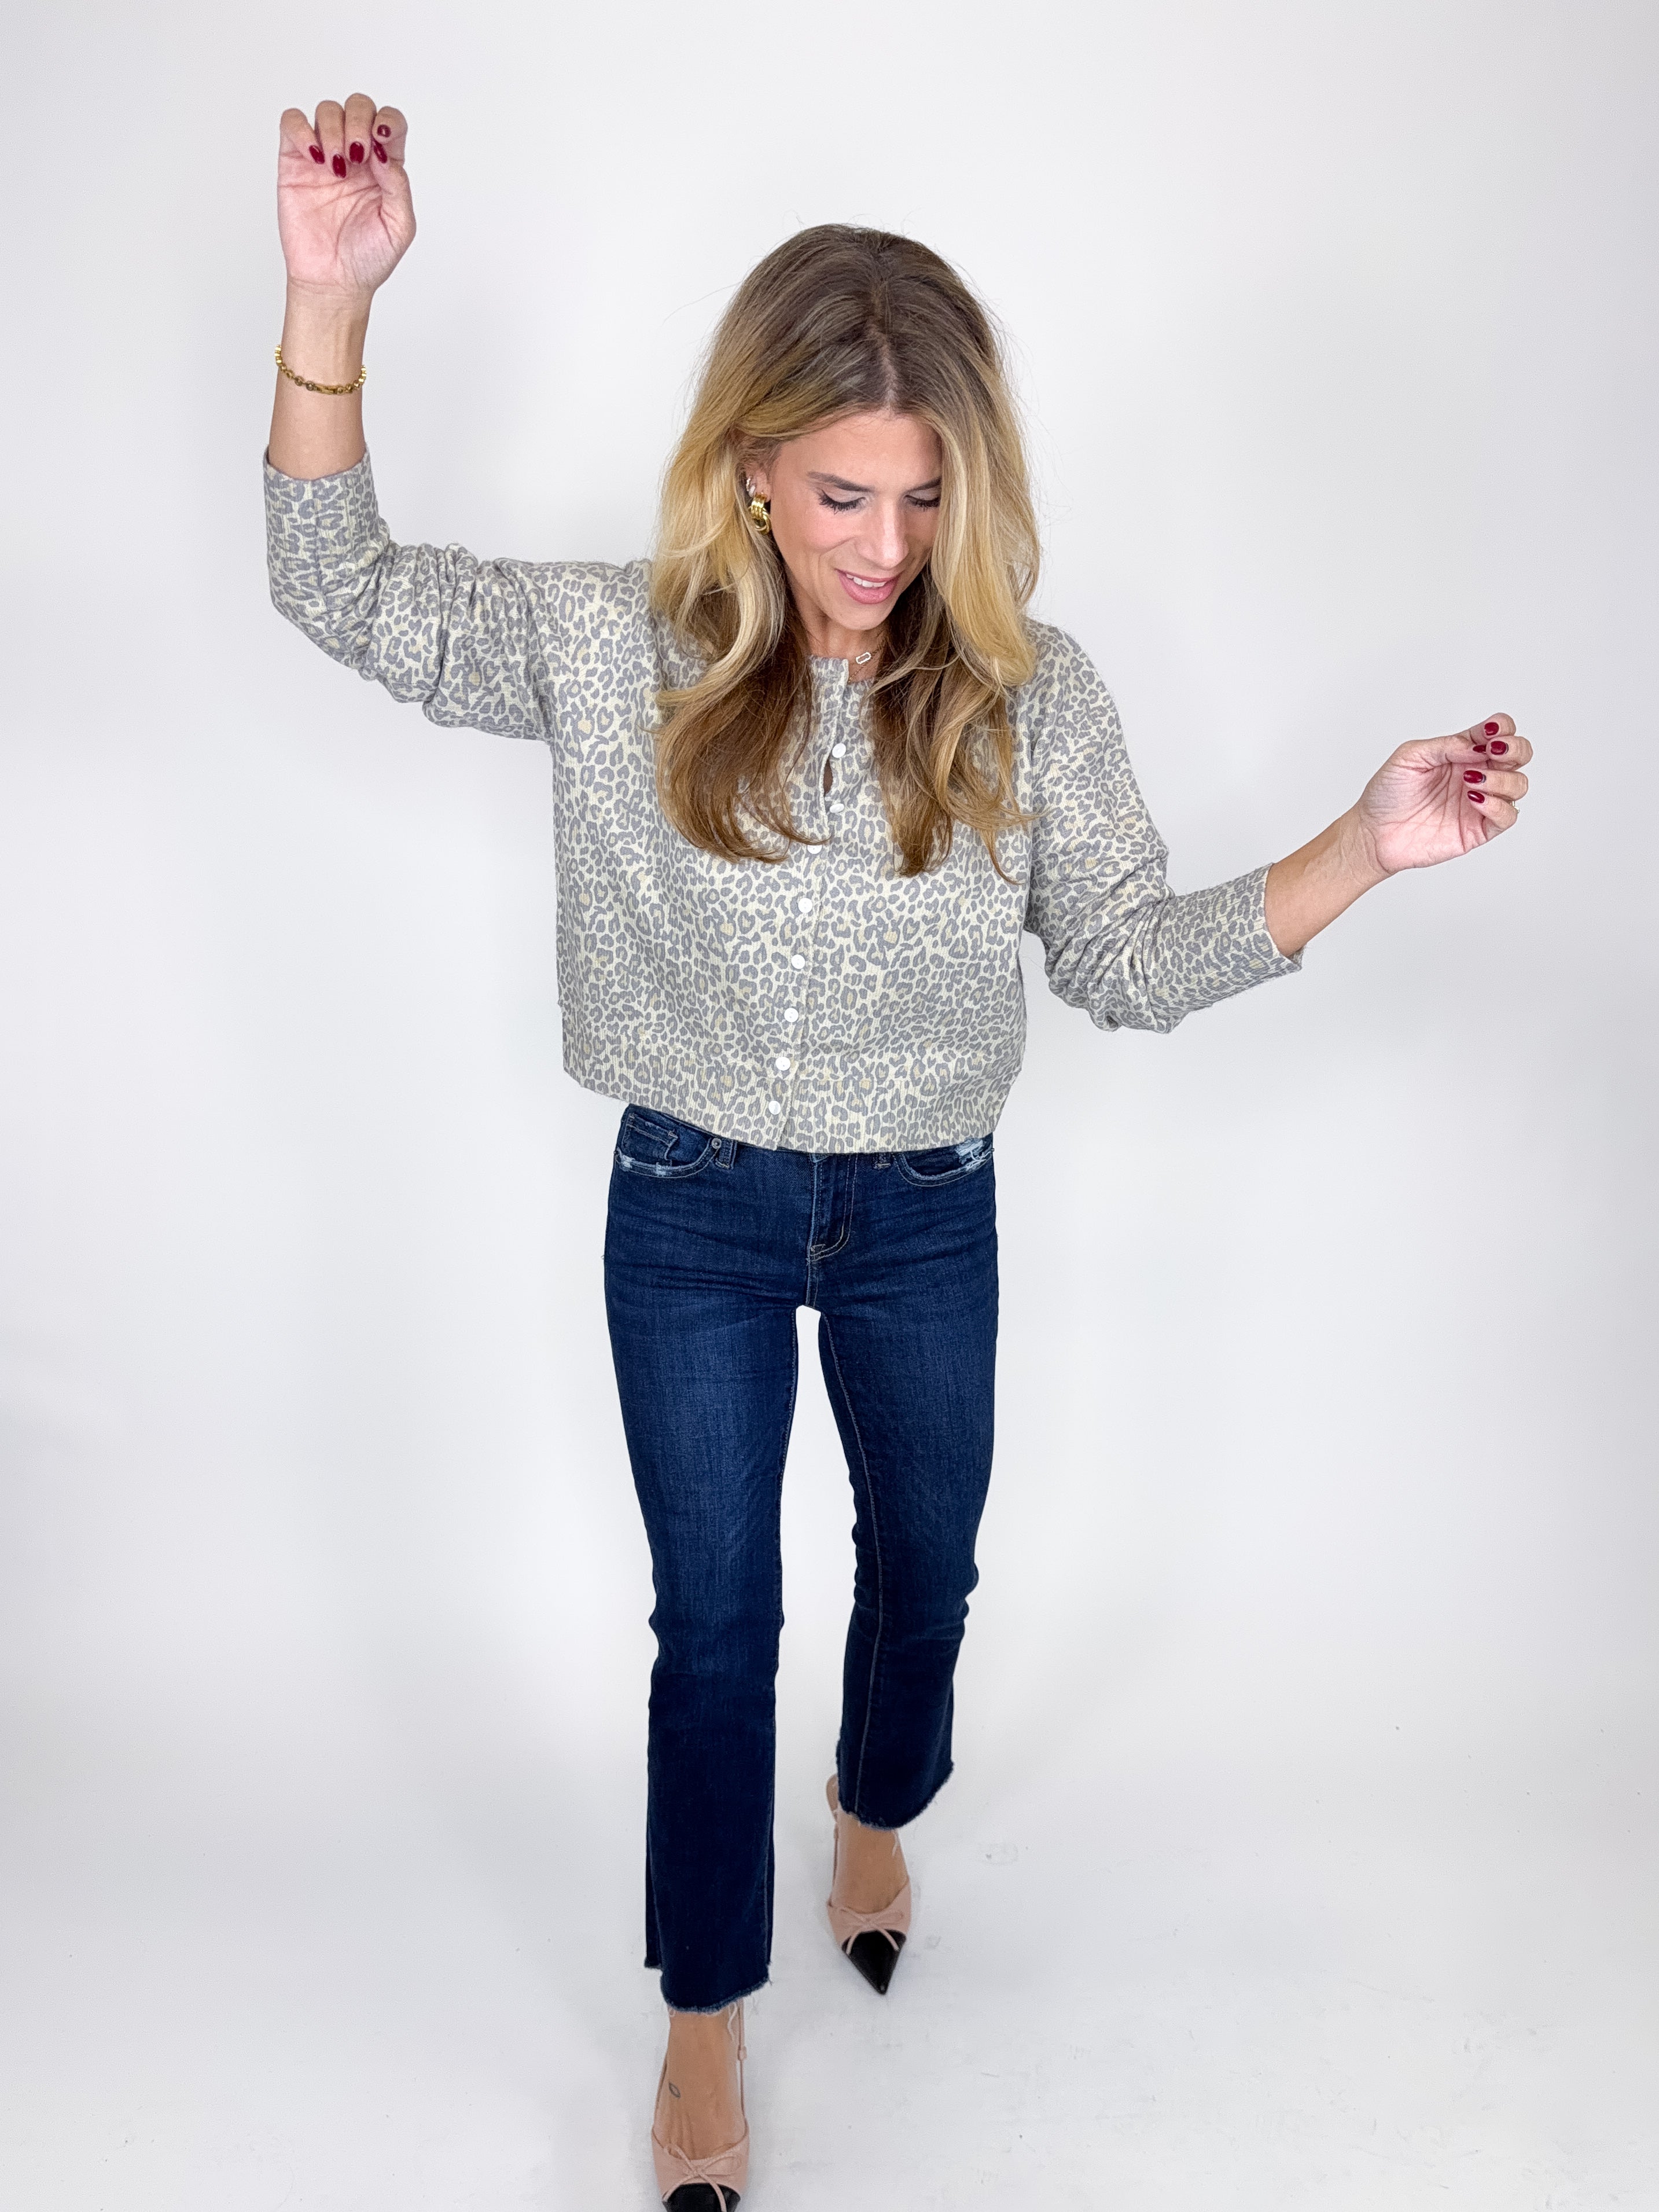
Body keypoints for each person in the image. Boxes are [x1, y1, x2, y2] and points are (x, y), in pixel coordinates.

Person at [264, 93, 1532, 2212]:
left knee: (925, 1570)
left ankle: (873, 1806)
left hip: (927, 1214)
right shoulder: (614, 646)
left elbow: (1124, 961)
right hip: (691, 1208)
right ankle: (700, 2023)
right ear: (751, 463)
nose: (881, 543)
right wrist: (329, 303)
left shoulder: (1027, 695)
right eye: (843, 493)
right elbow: (339, 588)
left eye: (925, 498)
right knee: (713, 1627)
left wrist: (1366, 845)